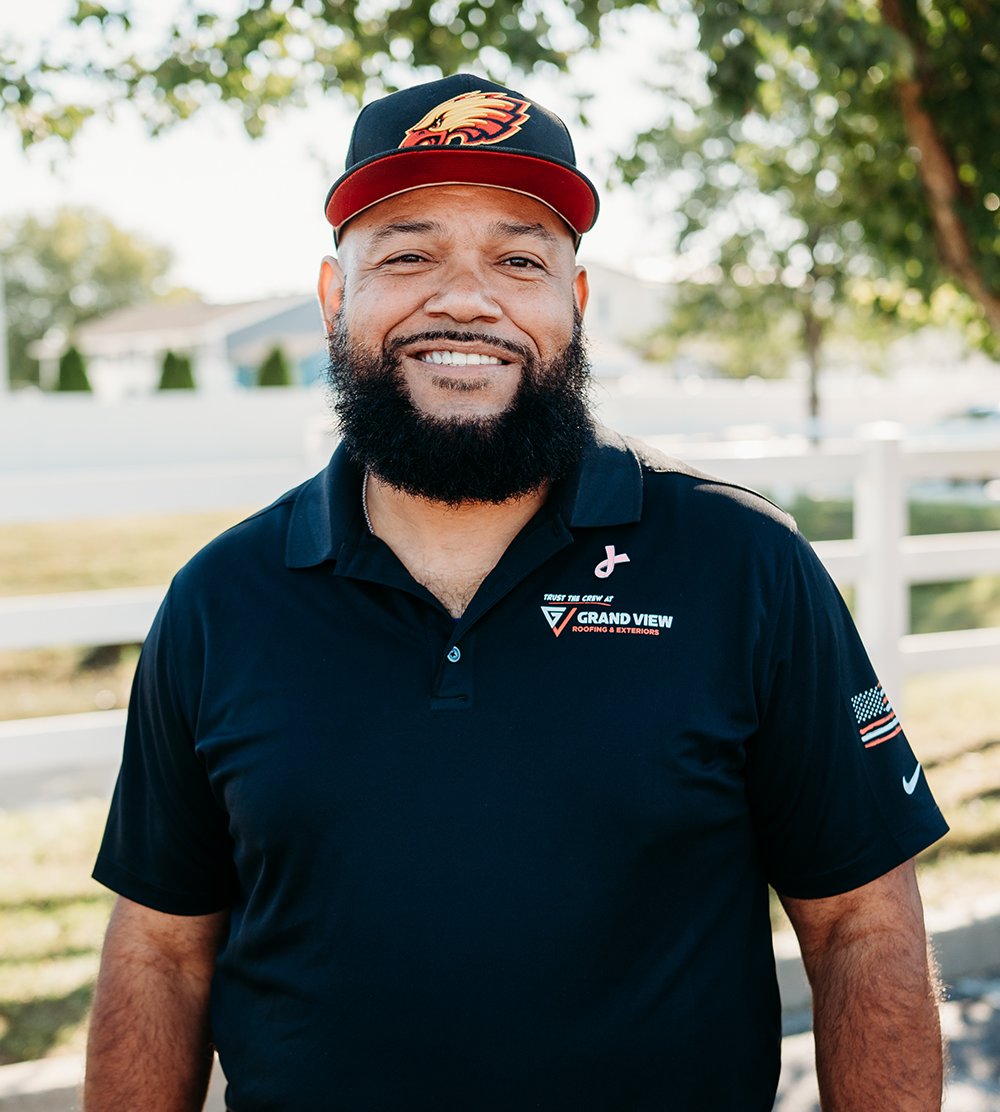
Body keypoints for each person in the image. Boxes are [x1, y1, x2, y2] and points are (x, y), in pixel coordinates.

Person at [85, 74, 948, 1112]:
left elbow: (860, 925)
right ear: (333, 298)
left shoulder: (744, 566)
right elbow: (162, 953)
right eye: (407, 253)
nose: (464, 296)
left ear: (572, 305)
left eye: (518, 258)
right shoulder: (220, 600)